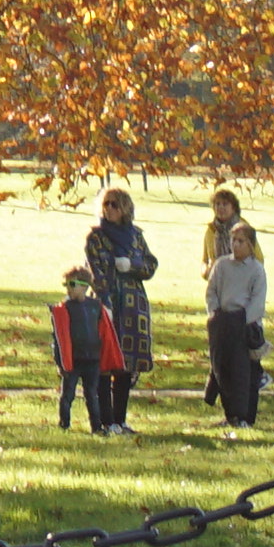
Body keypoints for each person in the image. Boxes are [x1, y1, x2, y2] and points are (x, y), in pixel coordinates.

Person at [82, 186, 158, 419]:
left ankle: (120, 418)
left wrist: (132, 266)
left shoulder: (135, 236)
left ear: (125, 208)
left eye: (115, 204)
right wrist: (104, 302)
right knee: (105, 361)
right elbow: (94, 271)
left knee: (127, 362)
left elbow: (150, 265)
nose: (110, 209)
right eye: (106, 204)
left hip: (133, 306)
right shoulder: (96, 237)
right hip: (107, 303)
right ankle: (105, 419)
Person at [202, 194, 271, 432]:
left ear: (250, 244)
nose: (236, 245)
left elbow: (257, 301)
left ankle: (245, 416)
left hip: (244, 326)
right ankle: (230, 413)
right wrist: (215, 313)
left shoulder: (256, 270)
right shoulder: (222, 265)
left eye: (241, 241)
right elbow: (211, 292)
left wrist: (242, 321)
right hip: (222, 323)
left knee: (245, 374)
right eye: (234, 241)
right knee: (223, 370)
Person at [53, 270, 117, 434]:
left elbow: (104, 332)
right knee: (68, 394)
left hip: (92, 359)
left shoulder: (95, 306)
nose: (68, 289)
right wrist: (61, 362)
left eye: (72, 285)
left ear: (85, 287)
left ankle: (96, 427)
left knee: (92, 395)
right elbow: (59, 338)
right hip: (73, 360)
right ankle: (64, 424)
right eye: (66, 285)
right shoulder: (65, 308)